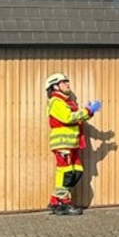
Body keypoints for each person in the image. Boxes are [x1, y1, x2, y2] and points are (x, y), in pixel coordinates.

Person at [45, 73, 101, 216]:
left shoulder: (66, 102)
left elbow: (77, 118)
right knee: (66, 173)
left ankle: (55, 201)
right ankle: (63, 203)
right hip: (63, 144)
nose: (68, 85)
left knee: (76, 172)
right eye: (64, 82)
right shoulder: (56, 101)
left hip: (72, 144)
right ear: (55, 86)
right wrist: (87, 110)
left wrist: (89, 112)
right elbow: (68, 118)